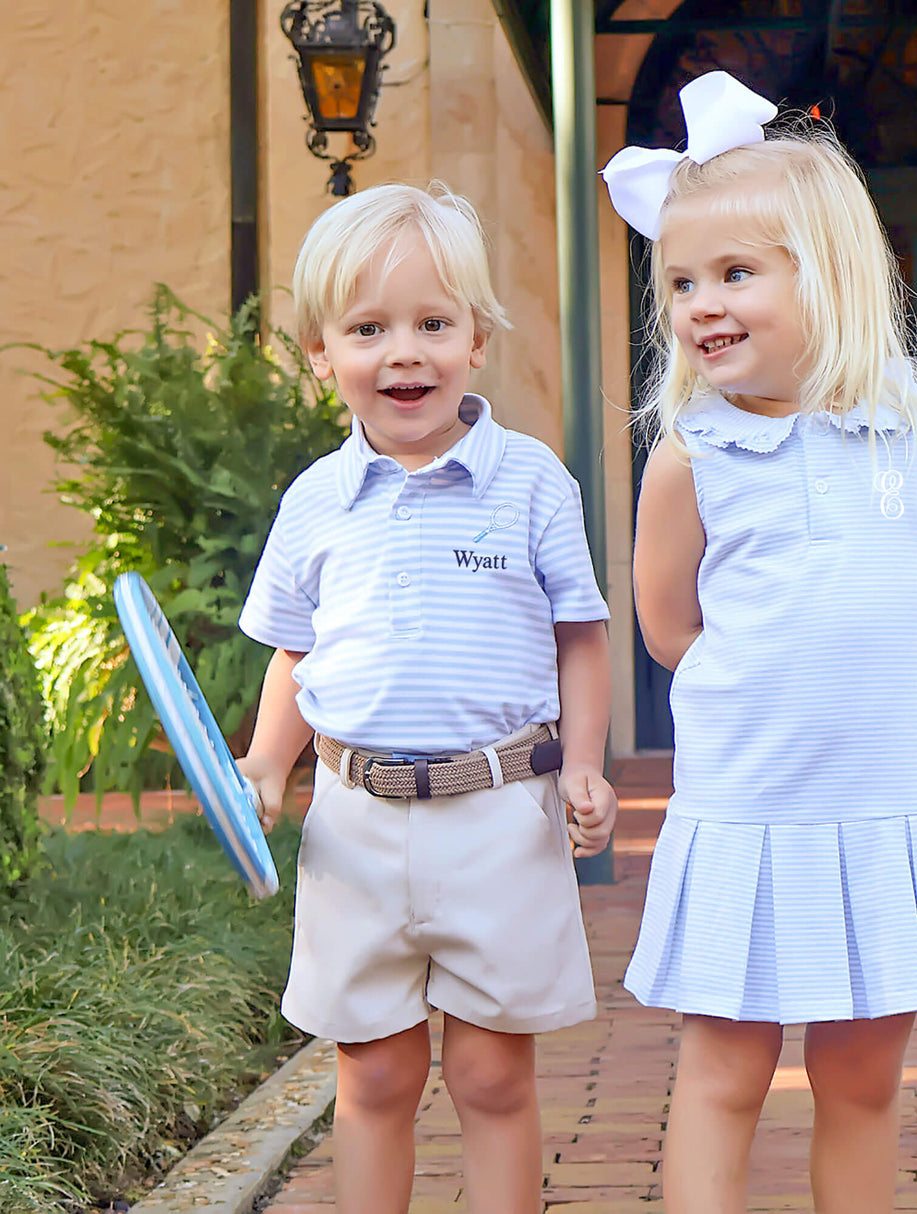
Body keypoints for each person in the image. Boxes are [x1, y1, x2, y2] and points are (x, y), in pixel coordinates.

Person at [602, 72, 917, 1214]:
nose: (702, 304)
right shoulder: (690, 457)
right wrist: (767, 691)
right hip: (748, 805)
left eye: (735, 273)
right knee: (724, 1072)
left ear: (829, 273)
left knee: (861, 1077)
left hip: (889, 802)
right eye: (681, 282)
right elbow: (670, 626)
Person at [236, 182, 617, 1214]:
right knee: (373, 1076)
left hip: (499, 814)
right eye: (368, 329)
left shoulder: (531, 481)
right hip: (353, 826)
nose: (403, 353)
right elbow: (296, 652)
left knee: (491, 1075)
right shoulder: (314, 501)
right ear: (321, 353)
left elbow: (579, 635)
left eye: (433, 325)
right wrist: (267, 764)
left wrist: (584, 764)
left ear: (477, 340)